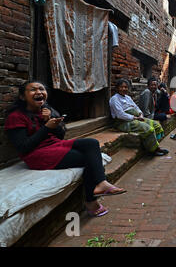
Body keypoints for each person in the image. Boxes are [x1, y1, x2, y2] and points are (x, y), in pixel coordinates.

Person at [4, 80, 126, 217]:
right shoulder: (16, 117)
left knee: (91, 143)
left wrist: (49, 120)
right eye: (33, 90)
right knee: (89, 159)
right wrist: (46, 128)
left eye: (41, 89)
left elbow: (60, 136)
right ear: (22, 97)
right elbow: (24, 148)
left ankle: (101, 183)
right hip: (36, 155)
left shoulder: (46, 111)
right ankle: (91, 202)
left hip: (55, 145)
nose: (39, 92)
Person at [110, 79, 168, 156]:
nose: (124, 89)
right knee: (149, 129)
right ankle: (152, 150)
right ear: (117, 88)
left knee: (155, 125)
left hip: (136, 118)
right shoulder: (114, 99)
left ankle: (155, 146)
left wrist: (140, 114)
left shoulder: (127, 97)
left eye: (126, 87)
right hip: (124, 122)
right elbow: (120, 114)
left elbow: (136, 107)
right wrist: (134, 118)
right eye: (121, 87)